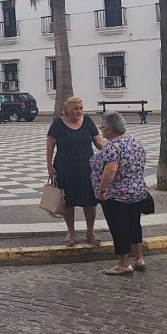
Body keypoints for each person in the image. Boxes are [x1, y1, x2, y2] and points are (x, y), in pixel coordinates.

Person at [90, 111, 150, 275]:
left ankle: (124, 263)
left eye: (102, 127)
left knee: (120, 228)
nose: (101, 130)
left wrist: (102, 190)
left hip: (117, 195)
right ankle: (139, 258)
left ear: (109, 130)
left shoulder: (112, 146)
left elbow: (110, 170)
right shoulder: (133, 141)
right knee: (134, 224)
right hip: (136, 191)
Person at [47, 96, 105, 247]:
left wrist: (110, 151)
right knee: (68, 202)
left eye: (81, 108)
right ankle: (71, 232)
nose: (79, 111)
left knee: (90, 202)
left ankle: (90, 232)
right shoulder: (58, 124)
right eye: (75, 108)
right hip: (64, 167)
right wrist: (49, 166)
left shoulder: (87, 121)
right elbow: (50, 145)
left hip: (87, 168)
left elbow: (98, 140)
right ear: (68, 110)